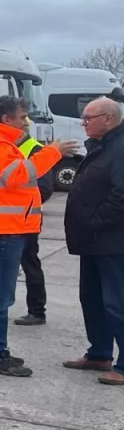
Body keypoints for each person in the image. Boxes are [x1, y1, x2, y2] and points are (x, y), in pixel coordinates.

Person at [0, 95, 74, 376]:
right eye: (22, 115)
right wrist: (53, 152)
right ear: (6, 119)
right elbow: (18, 175)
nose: (26, 120)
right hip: (3, 229)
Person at [62, 97, 124, 385]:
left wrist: (96, 222)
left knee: (117, 302)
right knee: (92, 298)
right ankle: (99, 352)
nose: (83, 123)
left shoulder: (120, 149)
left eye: (89, 118)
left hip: (112, 242)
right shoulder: (100, 147)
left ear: (108, 119)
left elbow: (120, 196)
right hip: (91, 241)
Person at [13, 116, 55, 327]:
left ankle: (37, 311)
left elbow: (45, 188)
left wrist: (13, 199)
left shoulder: (36, 150)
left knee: (29, 264)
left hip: (25, 221)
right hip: (3, 220)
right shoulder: (3, 148)